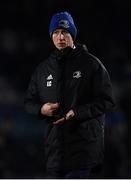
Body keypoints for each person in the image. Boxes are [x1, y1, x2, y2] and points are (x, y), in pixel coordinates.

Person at [24, 11, 115, 178]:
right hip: (55, 151)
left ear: (72, 34)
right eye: (56, 32)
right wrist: (41, 109)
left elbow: (107, 100)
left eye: (65, 32)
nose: (60, 37)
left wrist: (77, 112)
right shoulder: (42, 70)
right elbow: (28, 103)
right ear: (51, 36)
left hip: (84, 148)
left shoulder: (91, 64)